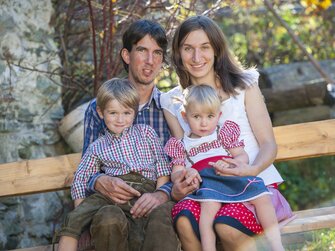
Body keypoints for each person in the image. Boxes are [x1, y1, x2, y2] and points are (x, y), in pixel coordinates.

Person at [161, 15, 293, 251]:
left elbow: (268, 145)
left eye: (204, 47)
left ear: (217, 49)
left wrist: (250, 169)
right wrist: (180, 184)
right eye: (188, 48)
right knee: (183, 218)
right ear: (178, 53)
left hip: (252, 184)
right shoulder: (172, 102)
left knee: (227, 225)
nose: (196, 57)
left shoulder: (243, 86)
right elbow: (184, 155)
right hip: (209, 189)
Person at [76, 19, 195, 251]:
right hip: (114, 204)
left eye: (157, 53)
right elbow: (87, 168)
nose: (150, 61)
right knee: (108, 220)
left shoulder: (170, 107)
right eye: (142, 50)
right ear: (127, 55)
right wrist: (99, 181)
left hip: (159, 203)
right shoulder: (98, 108)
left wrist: (162, 194)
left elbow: (182, 163)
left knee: (165, 220)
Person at [164, 84, 284, 251]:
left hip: (230, 177)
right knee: (207, 214)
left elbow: (242, 156)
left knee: (261, 195)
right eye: (196, 117)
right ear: (185, 116)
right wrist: (186, 172)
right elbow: (175, 175)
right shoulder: (181, 145)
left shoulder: (223, 133)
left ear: (218, 115)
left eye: (210, 116)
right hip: (207, 185)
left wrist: (233, 163)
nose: (204, 123)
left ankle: (277, 245)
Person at [57, 78, 171, 251]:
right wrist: (82, 212)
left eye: (126, 113)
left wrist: (157, 195)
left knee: (143, 230)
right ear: (101, 112)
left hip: (145, 190)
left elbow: (162, 167)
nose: (120, 120)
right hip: (112, 193)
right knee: (72, 220)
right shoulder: (98, 146)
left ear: (135, 112)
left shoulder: (146, 133)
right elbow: (81, 178)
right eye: (113, 113)